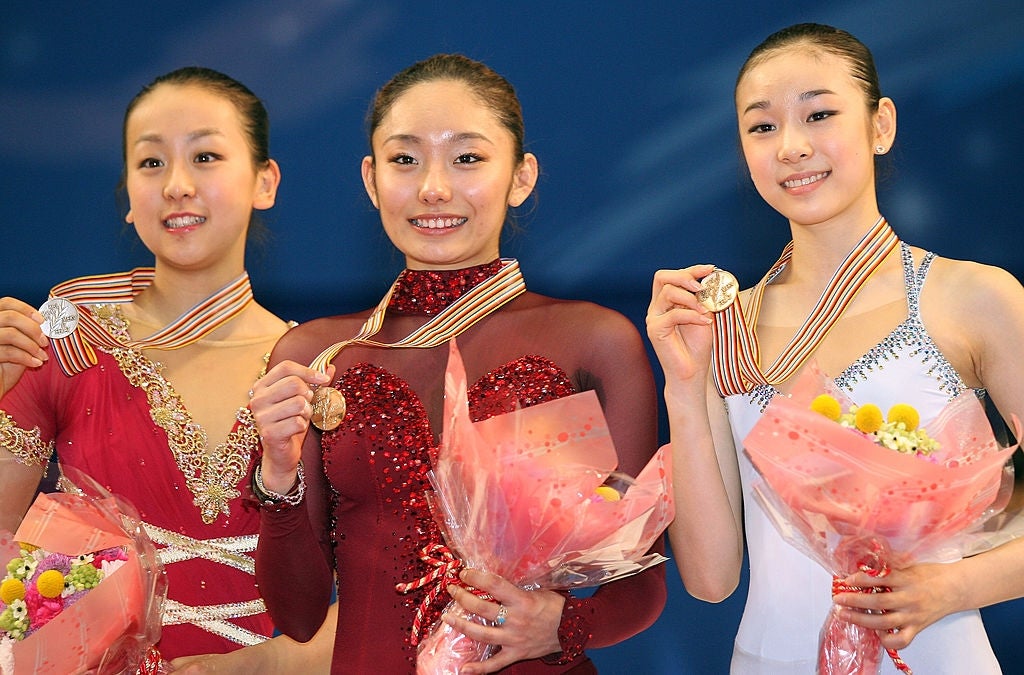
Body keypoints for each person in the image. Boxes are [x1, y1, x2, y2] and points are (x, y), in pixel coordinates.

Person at [249, 53, 665, 674]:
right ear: (370, 179)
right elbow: (299, 614)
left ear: (521, 176)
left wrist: (561, 623)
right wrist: (278, 475)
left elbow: (639, 584)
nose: (433, 188)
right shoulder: (314, 356)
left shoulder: (592, 342)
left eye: (467, 158)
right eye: (404, 159)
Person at [646, 22, 1024, 674]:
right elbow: (711, 578)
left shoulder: (976, 298)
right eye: (762, 127)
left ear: (881, 125)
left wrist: (949, 587)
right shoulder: (724, 325)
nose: (791, 146)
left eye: (819, 114)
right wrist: (682, 387)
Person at [0, 66, 333, 671]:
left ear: (266, 181)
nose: (177, 184)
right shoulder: (65, 347)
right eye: (151, 163)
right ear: (127, 195)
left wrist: (244, 669)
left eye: (205, 156)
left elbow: (381, 599)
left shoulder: (322, 370)